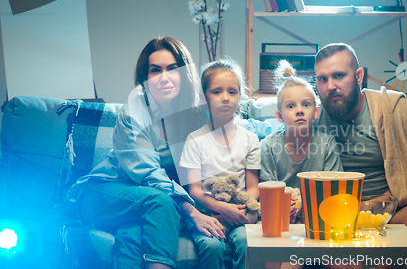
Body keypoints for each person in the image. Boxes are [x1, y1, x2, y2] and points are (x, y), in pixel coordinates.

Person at [67, 36, 225, 269]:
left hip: (146, 204)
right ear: (145, 78)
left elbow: (236, 129)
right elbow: (149, 174)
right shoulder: (134, 112)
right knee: (160, 201)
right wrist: (193, 213)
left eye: (172, 68)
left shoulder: (197, 113)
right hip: (101, 194)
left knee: (134, 233)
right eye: (155, 70)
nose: (164, 77)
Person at [313, 43, 407, 260]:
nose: (330, 86)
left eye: (339, 75)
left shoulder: (393, 108)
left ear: (359, 76)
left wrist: (376, 203)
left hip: (389, 213)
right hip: (336, 217)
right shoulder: (312, 117)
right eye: (322, 79)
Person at [179, 58, 261, 269]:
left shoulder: (250, 139)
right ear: (203, 97)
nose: (225, 98)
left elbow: (252, 187)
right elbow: (195, 190)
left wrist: (238, 210)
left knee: (247, 242)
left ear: (240, 96)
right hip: (208, 213)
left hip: (240, 212)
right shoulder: (194, 139)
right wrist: (222, 209)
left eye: (232, 92)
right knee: (212, 247)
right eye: (216, 92)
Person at [260, 60, 343, 224]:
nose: (299, 110)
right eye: (290, 106)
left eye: (306, 104)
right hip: (280, 217)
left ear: (316, 112)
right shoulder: (268, 147)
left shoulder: (327, 144)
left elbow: (334, 189)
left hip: (318, 215)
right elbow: (268, 194)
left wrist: (303, 203)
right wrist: (287, 205)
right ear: (279, 116)